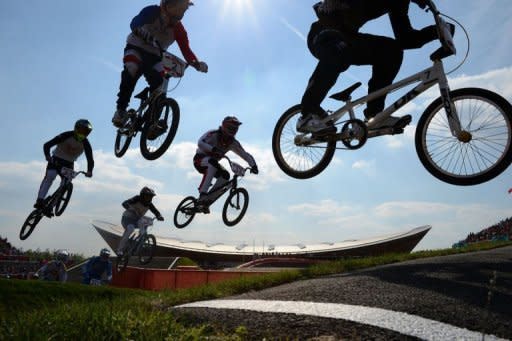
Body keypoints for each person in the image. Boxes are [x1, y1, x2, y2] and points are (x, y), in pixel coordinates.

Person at [298, 0, 443, 135]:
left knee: (392, 51)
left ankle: (375, 115)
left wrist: (438, 31)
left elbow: (406, 39)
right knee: (338, 49)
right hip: (324, 32)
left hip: (349, 38)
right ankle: (308, 113)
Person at [112, 0, 208, 127]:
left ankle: (152, 122)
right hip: (136, 47)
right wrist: (140, 30)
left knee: (160, 86)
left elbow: (186, 49)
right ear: (167, 5)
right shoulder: (152, 11)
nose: (179, 14)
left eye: (183, 11)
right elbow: (134, 22)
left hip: (154, 55)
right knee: (132, 68)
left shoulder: (179, 29)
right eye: (177, 9)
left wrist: (197, 64)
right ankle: (121, 110)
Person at [193, 116, 259, 213]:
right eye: (230, 127)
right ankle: (203, 194)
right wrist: (212, 149)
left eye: (235, 128)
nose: (232, 130)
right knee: (213, 163)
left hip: (213, 164)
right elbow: (200, 143)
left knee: (225, 176)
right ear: (224, 126)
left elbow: (244, 154)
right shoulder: (213, 134)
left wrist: (254, 166)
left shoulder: (233, 143)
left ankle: (208, 200)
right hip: (200, 160)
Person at [34, 119, 94, 210]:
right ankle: (40, 200)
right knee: (50, 176)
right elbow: (47, 145)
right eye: (82, 131)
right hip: (56, 160)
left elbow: (90, 159)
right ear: (76, 129)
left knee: (65, 185)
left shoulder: (86, 143)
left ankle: (51, 207)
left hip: (68, 164)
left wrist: (90, 171)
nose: (83, 134)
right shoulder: (66, 135)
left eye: (86, 132)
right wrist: (47, 156)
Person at [116, 187, 164, 256]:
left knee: (146, 223)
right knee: (130, 228)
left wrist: (159, 216)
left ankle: (140, 241)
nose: (148, 198)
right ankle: (119, 250)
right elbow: (124, 203)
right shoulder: (137, 198)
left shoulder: (149, 204)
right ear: (142, 195)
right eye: (147, 196)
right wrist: (130, 208)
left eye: (150, 197)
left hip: (137, 220)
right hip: (127, 219)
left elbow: (155, 211)